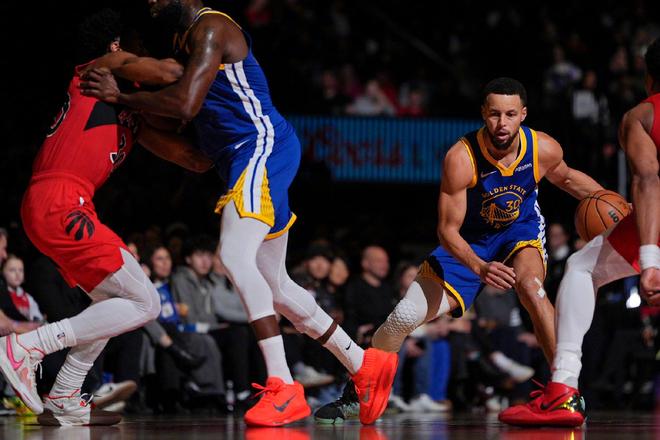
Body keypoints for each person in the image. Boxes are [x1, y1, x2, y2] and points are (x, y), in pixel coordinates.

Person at [81, 0, 397, 427]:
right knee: (277, 286)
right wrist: (132, 99)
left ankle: (283, 385)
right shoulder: (179, 41)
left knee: (232, 255)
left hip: (258, 147)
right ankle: (363, 364)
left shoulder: (211, 27)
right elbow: (187, 134)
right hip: (245, 157)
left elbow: (185, 103)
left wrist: (121, 95)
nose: (151, 3)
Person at [314, 77, 605, 423]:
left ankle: (565, 390)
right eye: (494, 114)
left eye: (510, 114)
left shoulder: (541, 147)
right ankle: (359, 388)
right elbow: (447, 231)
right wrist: (480, 267)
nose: (502, 123)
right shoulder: (461, 157)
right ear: (483, 113)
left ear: (523, 114)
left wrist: (623, 209)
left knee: (531, 287)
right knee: (402, 318)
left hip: (519, 231)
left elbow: (569, 179)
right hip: (469, 244)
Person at [0, 9, 212, 426]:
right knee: (146, 302)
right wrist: (210, 65)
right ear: (117, 45)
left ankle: (65, 393)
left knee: (112, 302)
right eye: (139, 45)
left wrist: (230, 146)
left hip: (60, 204)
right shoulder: (96, 69)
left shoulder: (125, 108)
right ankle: (25, 347)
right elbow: (172, 72)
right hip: (60, 198)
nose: (143, 53)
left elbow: (193, 159)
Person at [499, 38, 660, 427]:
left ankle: (563, 389)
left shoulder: (643, 115)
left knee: (582, 267)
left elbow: (648, 179)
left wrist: (650, 260)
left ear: (649, 76)